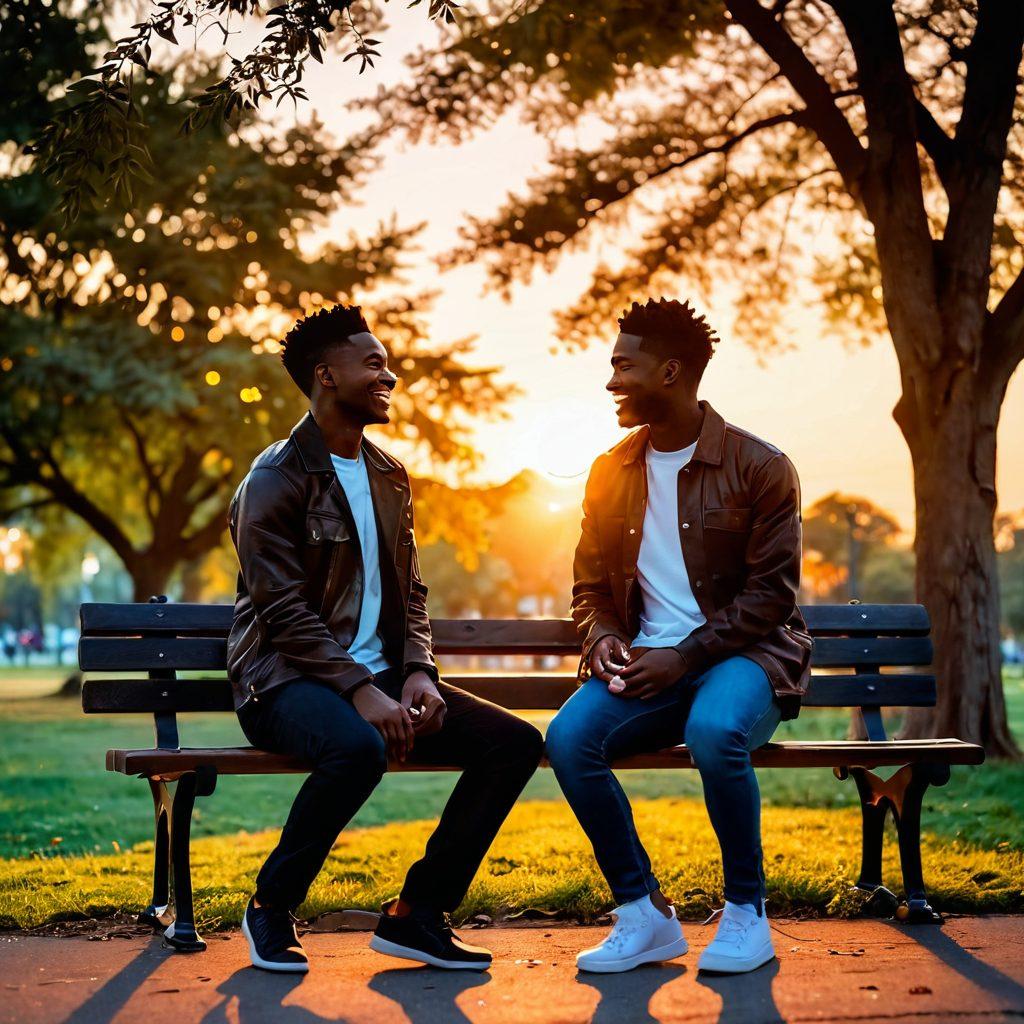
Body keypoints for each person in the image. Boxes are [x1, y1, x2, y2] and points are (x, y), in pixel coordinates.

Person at [227, 304, 543, 974]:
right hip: (282, 683)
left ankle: (417, 914)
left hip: (381, 681)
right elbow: (281, 610)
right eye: (372, 363)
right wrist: (358, 689)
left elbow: (411, 593)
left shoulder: (389, 474)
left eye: (387, 363)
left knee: (513, 743)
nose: (389, 376)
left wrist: (419, 671)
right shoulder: (275, 478)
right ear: (326, 376)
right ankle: (271, 905)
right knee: (356, 748)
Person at [546, 298, 812, 975]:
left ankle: (746, 913)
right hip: (649, 664)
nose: (611, 381)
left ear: (669, 372)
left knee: (715, 731)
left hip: (747, 657)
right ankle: (643, 915)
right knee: (569, 739)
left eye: (623, 367)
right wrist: (601, 637)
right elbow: (590, 586)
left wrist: (685, 655)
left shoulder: (760, 465)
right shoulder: (609, 471)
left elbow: (771, 596)